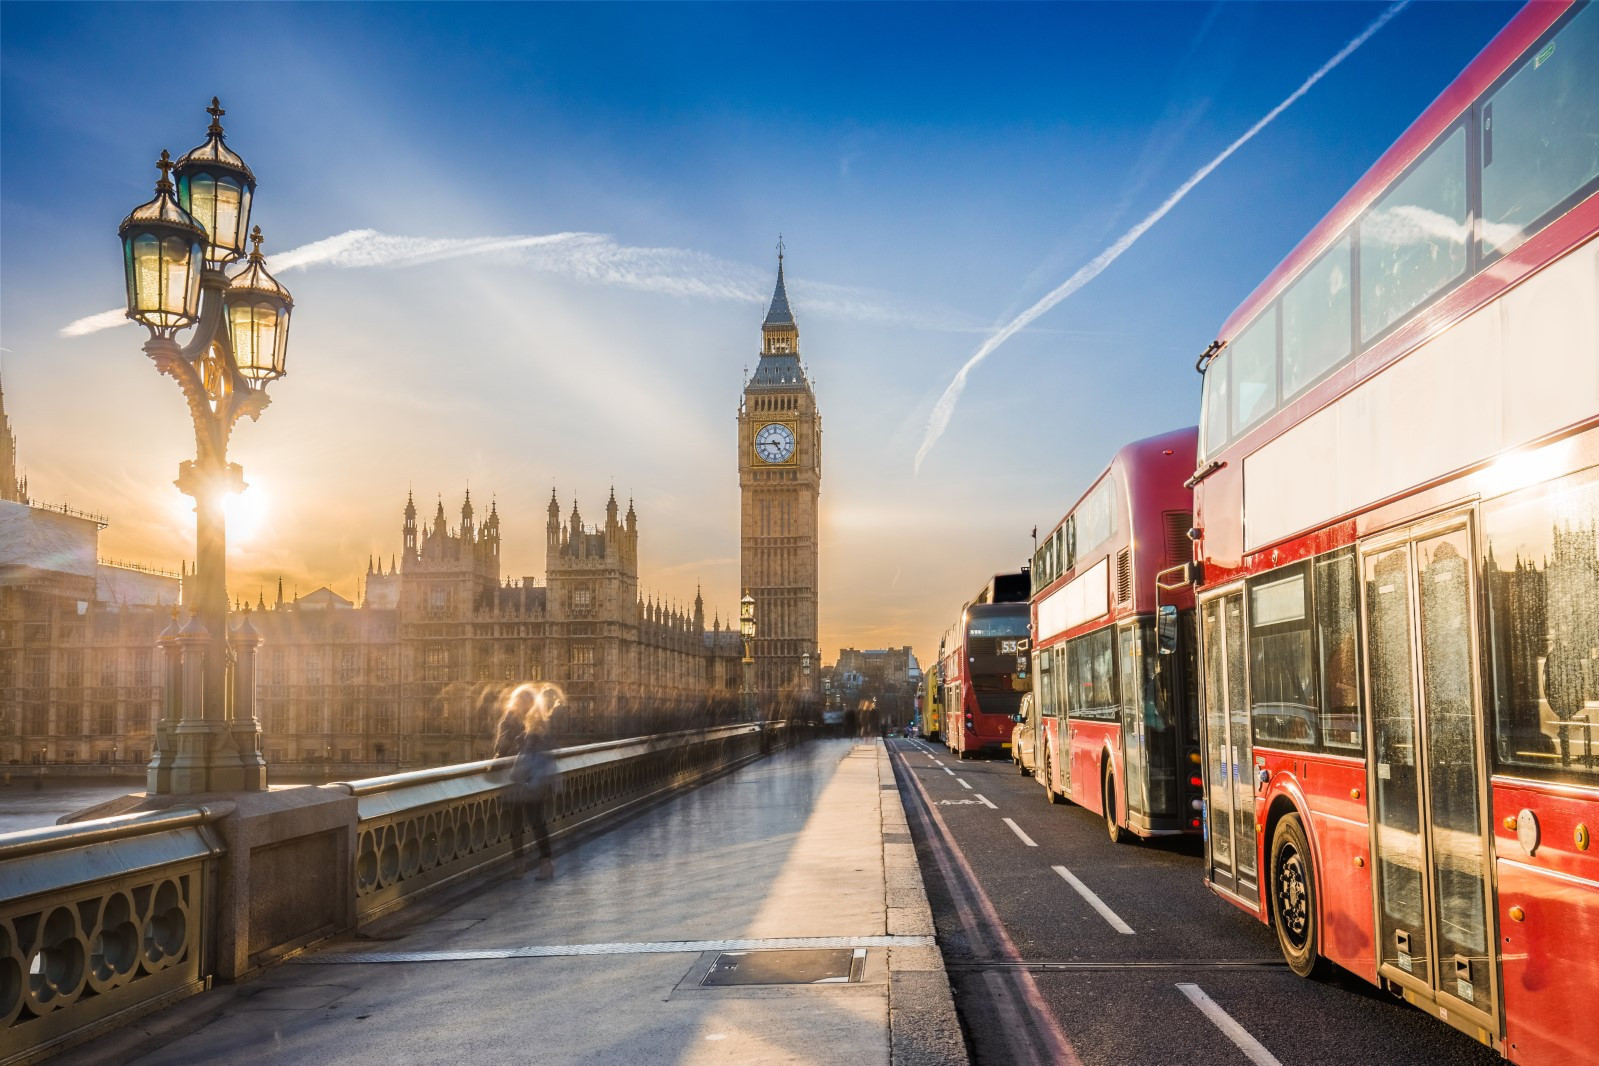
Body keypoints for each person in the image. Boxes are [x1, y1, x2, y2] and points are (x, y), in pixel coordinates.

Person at [507, 699, 557, 881]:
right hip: (528, 791)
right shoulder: (533, 744)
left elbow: (523, 768)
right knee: (531, 827)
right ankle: (535, 863)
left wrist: (529, 783)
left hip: (530, 791)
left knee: (529, 827)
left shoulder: (535, 746)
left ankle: (529, 863)